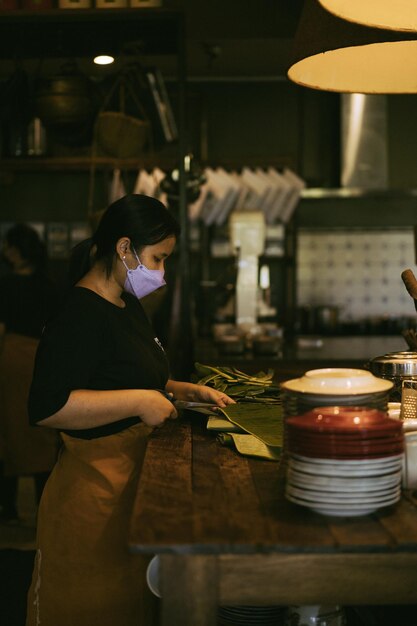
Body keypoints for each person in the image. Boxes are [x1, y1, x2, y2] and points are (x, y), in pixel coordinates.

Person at [25, 194, 235, 626]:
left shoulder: (126, 303)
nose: (162, 273)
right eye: (158, 259)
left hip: (131, 490)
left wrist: (183, 391)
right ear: (124, 248)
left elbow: (131, 375)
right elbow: (48, 406)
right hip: (91, 498)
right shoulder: (78, 313)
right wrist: (140, 402)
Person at [0, 223, 60, 523]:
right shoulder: (49, 285)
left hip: (10, 360)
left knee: (8, 433)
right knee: (41, 430)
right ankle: (44, 505)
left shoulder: (6, 285)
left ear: (17, 249)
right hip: (41, 358)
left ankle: (7, 508)